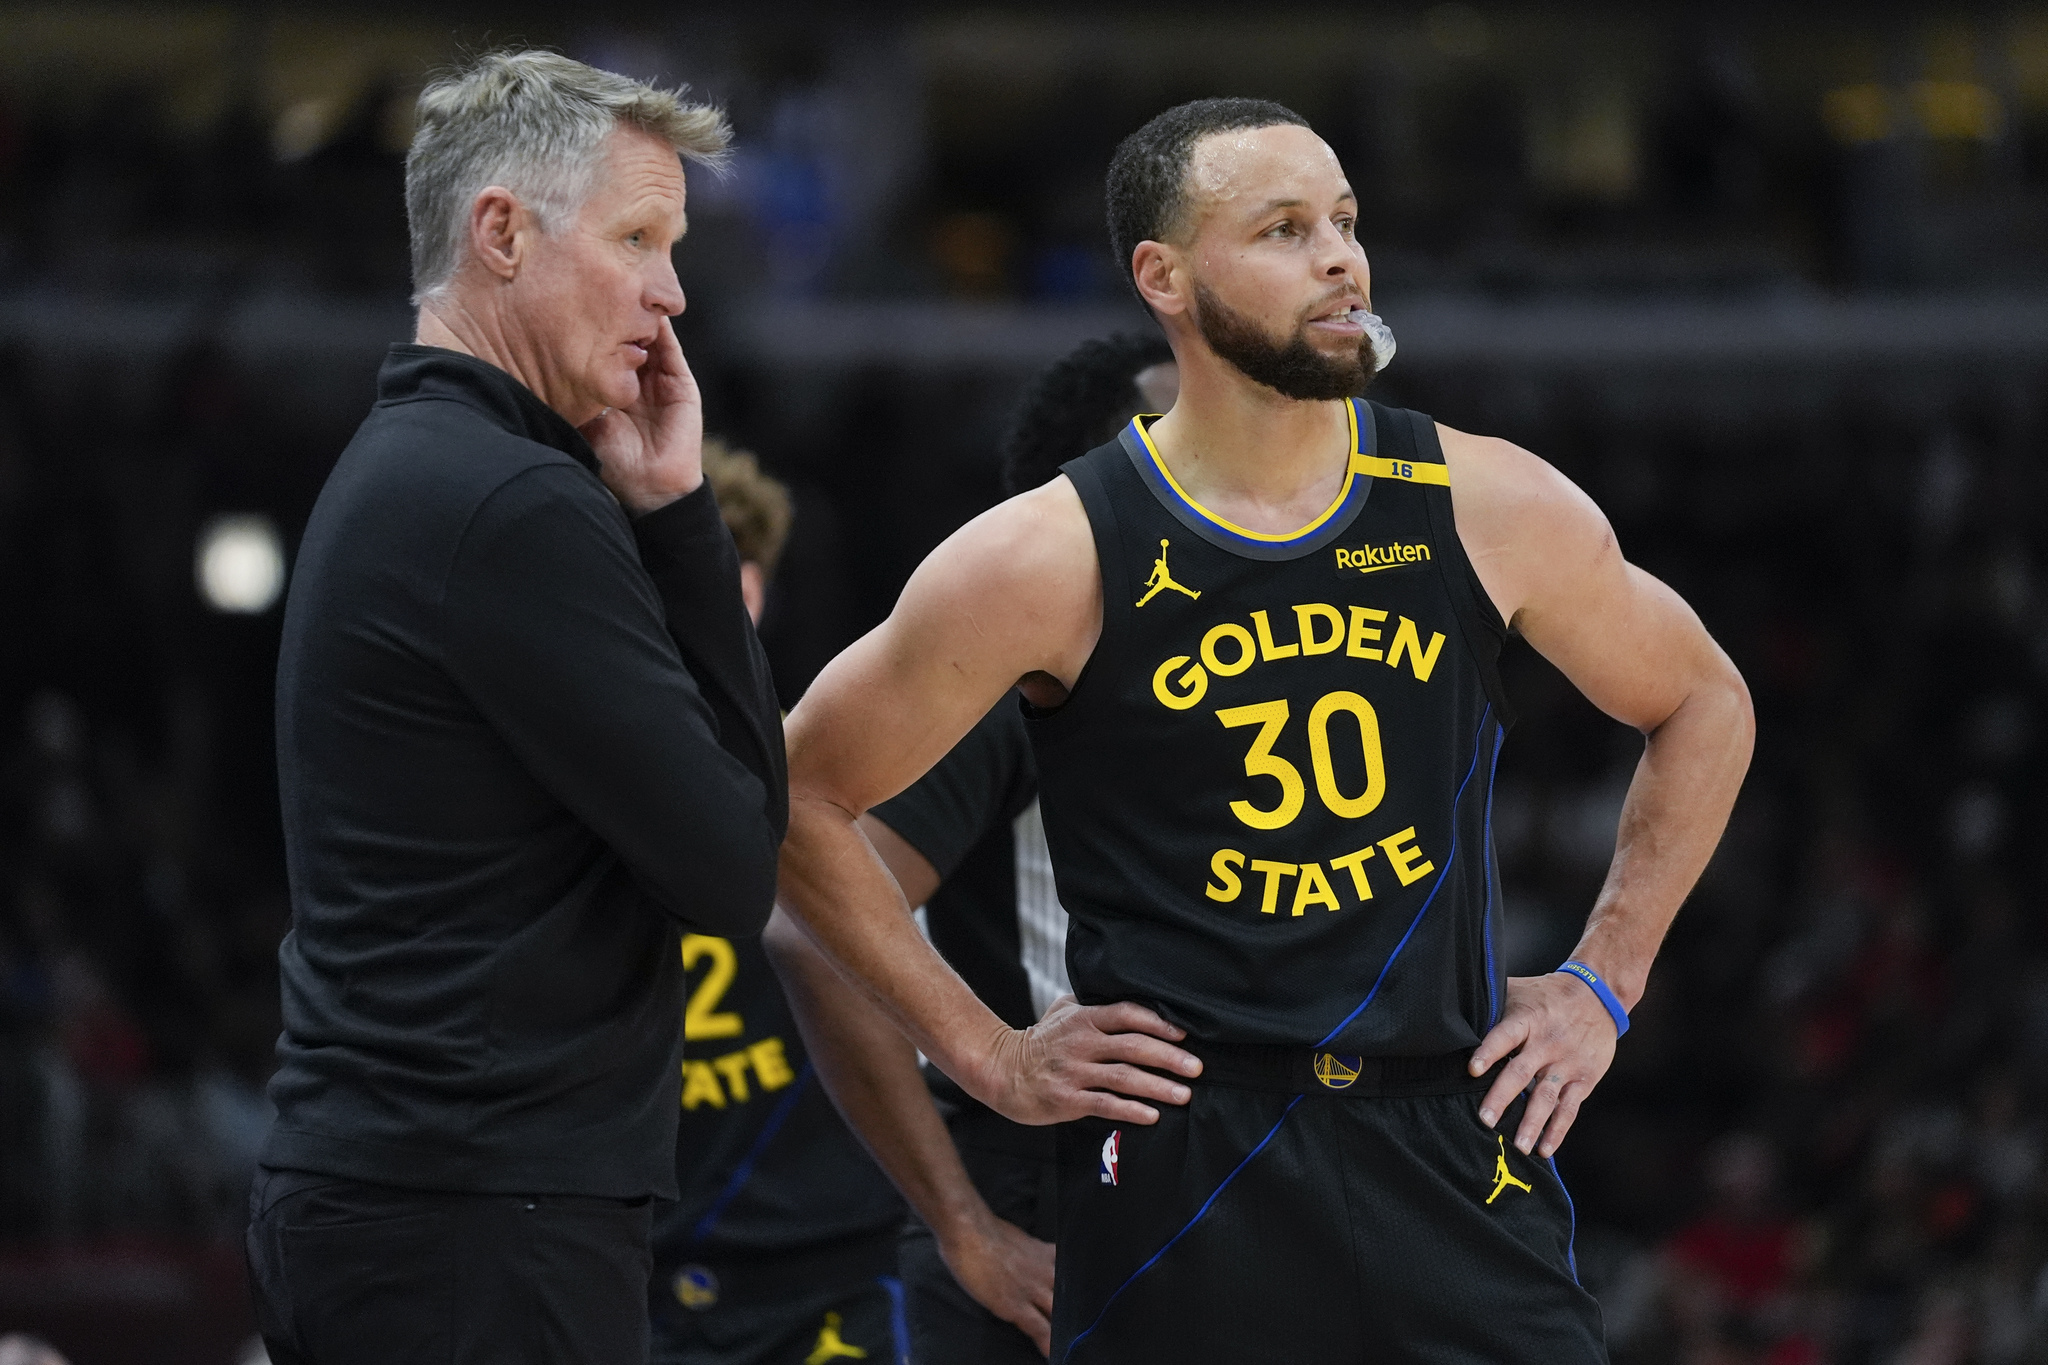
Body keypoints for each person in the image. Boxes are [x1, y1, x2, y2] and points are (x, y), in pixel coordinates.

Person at [775, 97, 1754, 1363]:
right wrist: (983, 1055)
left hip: (1446, 1137)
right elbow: (798, 794)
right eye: (1284, 229)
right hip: (1191, 1157)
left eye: (1343, 222)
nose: (1340, 256)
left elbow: (1701, 698)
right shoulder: (1046, 555)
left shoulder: (1479, 499)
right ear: (1162, 278)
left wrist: (1599, 982)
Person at [247, 51, 785, 1364]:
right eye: (638, 238)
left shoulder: (413, 467)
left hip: (410, 1196)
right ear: (501, 234)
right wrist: (678, 520)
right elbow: (731, 861)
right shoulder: (514, 506)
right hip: (477, 1215)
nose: (671, 292)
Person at [768, 335, 1177, 1364]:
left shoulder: (1256, 656)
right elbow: (805, 925)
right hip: (1045, 1178)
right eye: (1187, 436)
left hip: (1218, 1165)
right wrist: (962, 1219)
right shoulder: (1020, 667)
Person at [651, 440, 908, 1365]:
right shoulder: (544, 786)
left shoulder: (839, 780)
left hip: (826, 1266)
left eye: (723, 570)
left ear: (754, 593)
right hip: (625, 1264)